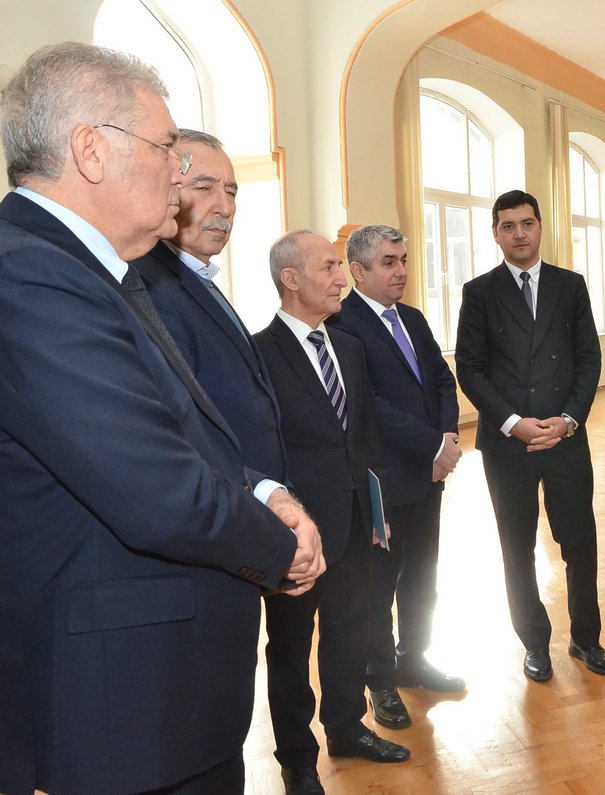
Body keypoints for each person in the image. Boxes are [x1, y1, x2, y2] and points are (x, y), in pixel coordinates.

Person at [0, 42, 322, 795]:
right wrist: (283, 550)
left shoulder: (95, 270)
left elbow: (175, 434)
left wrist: (264, 490)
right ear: (90, 150)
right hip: (124, 700)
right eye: (166, 148)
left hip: (162, 690)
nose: (178, 174)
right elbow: (156, 489)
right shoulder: (31, 275)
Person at [254, 231, 409, 795]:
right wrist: (283, 523)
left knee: (350, 633)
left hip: (354, 522)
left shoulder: (348, 347)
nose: (342, 278)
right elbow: (258, 447)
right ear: (291, 278)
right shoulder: (258, 353)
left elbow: (364, 437)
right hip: (296, 534)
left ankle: (346, 728)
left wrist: (376, 508)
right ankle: (297, 759)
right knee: (291, 648)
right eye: (328, 268)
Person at [455, 189, 605, 682]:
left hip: (565, 438)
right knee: (516, 546)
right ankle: (534, 643)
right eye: (508, 225)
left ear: (541, 227)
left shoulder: (571, 286)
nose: (519, 233)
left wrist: (568, 420)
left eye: (527, 223)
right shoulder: (479, 293)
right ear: (496, 234)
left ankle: (586, 638)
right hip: (508, 444)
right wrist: (512, 422)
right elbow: (470, 368)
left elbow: (588, 359)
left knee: (580, 542)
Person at [329, 224, 465, 733]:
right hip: (384, 479)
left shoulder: (412, 317)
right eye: (389, 262)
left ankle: (414, 659)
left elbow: (442, 379)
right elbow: (368, 404)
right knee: (378, 585)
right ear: (358, 270)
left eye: (403, 259)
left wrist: (445, 438)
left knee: (422, 578)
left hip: (430, 475)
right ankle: (380, 679)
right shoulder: (342, 324)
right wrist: (432, 445)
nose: (402, 270)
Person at [133, 129, 288, 483]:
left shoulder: (198, 277)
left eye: (231, 192)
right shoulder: (147, 286)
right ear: (167, 187)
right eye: (204, 188)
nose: (225, 207)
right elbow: (180, 428)